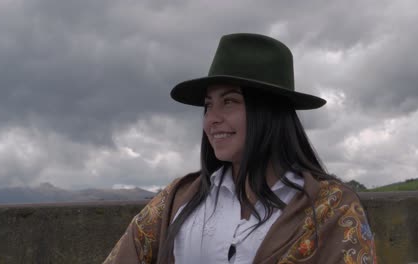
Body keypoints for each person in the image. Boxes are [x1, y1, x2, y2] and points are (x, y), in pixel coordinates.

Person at [103, 33, 377, 264]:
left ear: (269, 111)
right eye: (208, 105)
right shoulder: (179, 198)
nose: (212, 119)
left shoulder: (332, 208)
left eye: (230, 102)